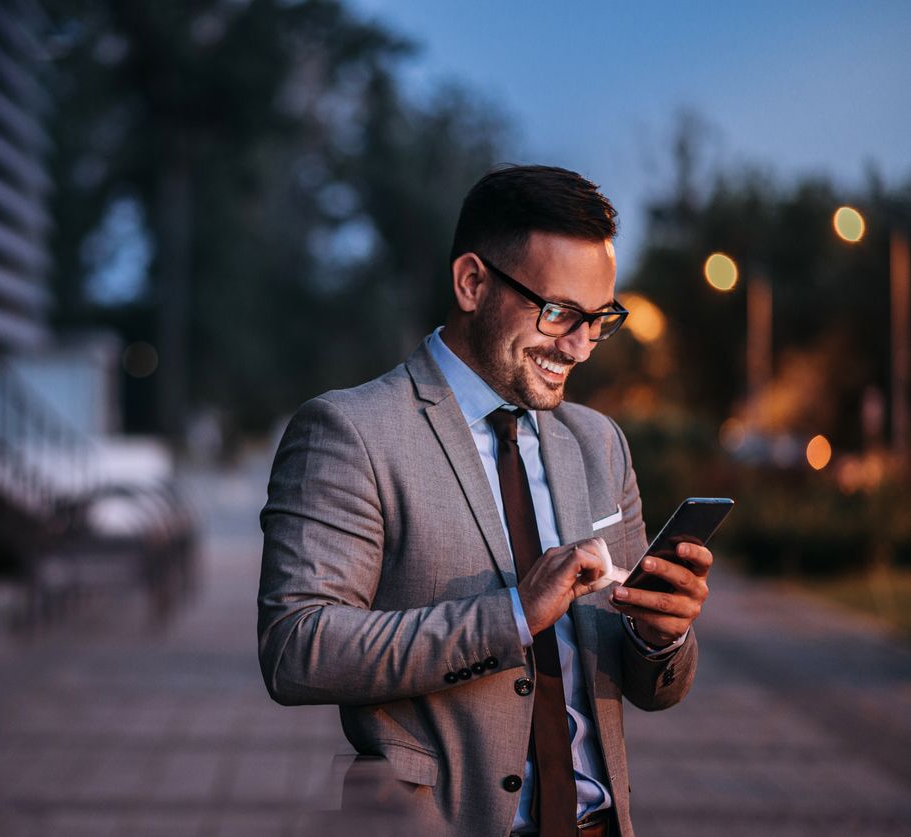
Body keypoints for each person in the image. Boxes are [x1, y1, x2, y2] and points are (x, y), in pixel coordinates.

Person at [257, 165, 711, 837]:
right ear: (471, 282)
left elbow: (653, 686)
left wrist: (660, 634)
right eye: (558, 313)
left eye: (599, 319)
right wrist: (511, 615)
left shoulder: (600, 443)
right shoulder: (350, 430)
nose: (580, 346)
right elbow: (296, 647)